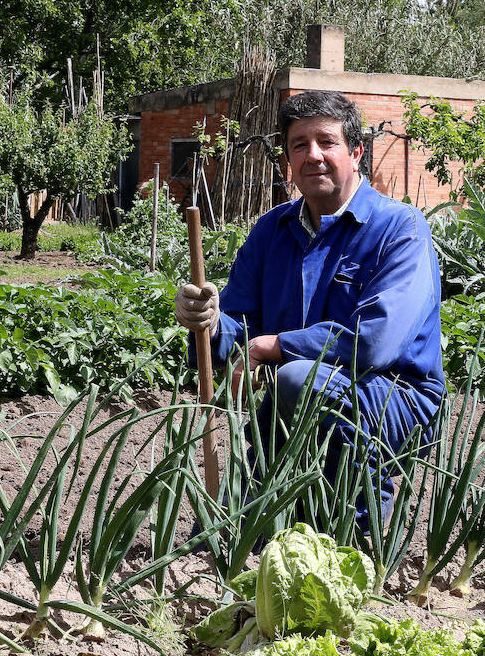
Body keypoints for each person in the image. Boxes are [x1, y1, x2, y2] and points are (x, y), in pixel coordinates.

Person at [174, 90, 445, 530]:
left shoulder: (400, 228)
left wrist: (277, 345)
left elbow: (375, 343)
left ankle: (358, 536)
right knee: (245, 533)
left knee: (298, 379)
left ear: (356, 152)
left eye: (327, 142)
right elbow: (239, 328)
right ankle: (262, 531)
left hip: (395, 396)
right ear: (288, 159)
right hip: (296, 399)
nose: (313, 155)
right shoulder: (272, 230)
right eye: (300, 145)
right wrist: (206, 319)